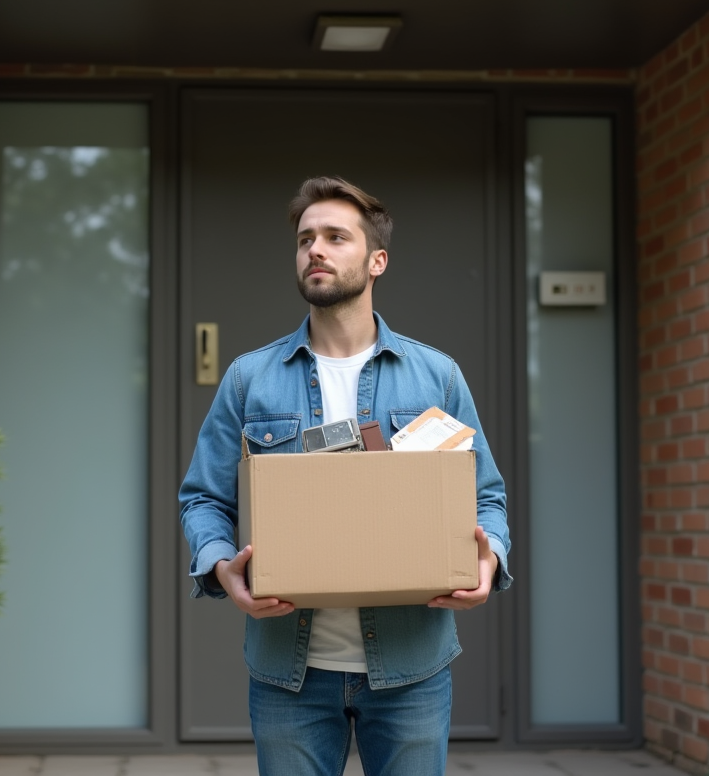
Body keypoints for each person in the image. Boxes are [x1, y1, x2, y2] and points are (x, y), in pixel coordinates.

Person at [179, 176, 512, 776]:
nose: (316, 250)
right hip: (290, 673)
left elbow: (486, 495)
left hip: (412, 667)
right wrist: (222, 566)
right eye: (306, 238)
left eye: (336, 236)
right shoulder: (249, 379)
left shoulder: (436, 376)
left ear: (376, 260)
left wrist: (488, 564)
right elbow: (203, 498)